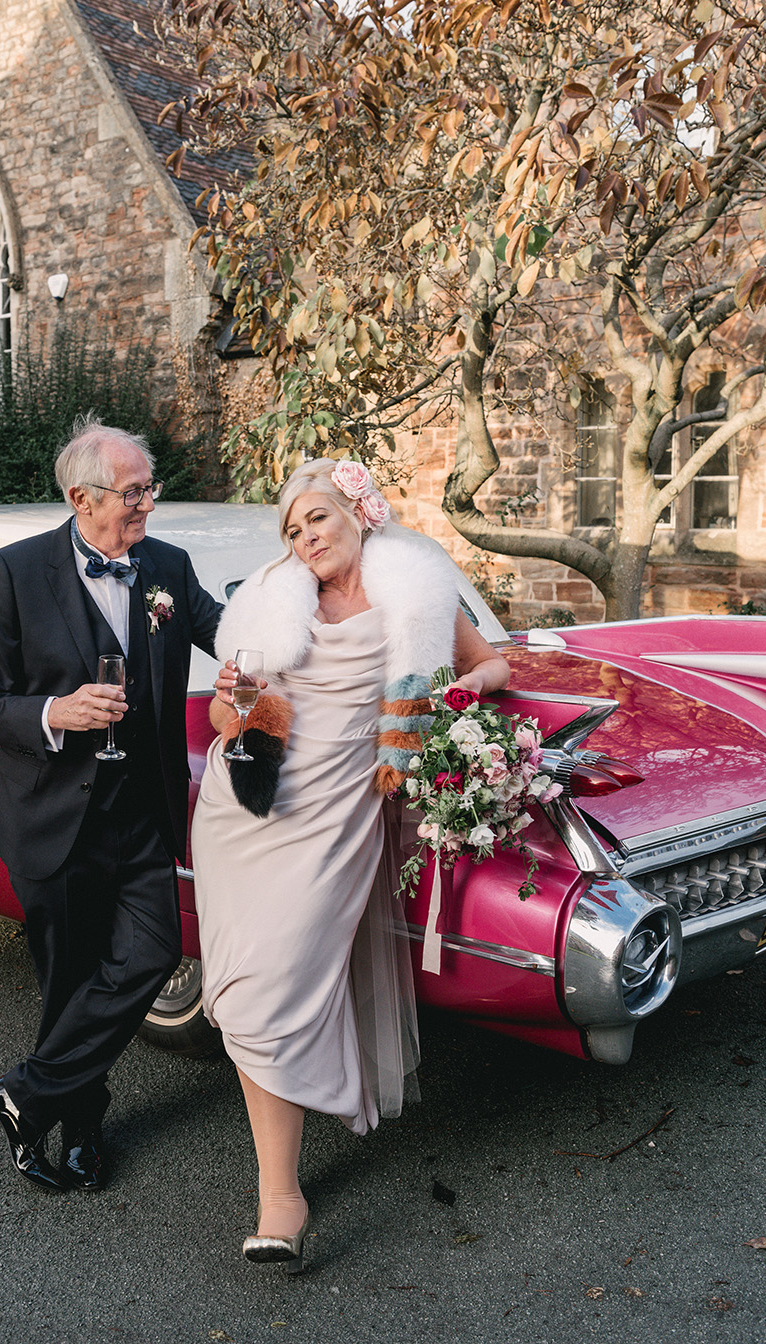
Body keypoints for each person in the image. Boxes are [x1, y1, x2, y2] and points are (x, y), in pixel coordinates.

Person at [191, 457, 510, 1269]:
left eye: (317, 521)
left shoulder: (416, 587)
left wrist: (445, 708)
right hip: (247, 816)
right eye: (293, 530)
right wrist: (233, 700)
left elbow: (489, 665)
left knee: (278, 987)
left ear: (357, 514)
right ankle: (279, 1197)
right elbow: (229, 715)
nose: (306, 540)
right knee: (246, 989)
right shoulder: (272, 597)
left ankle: (281, 1193)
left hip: (336, 819)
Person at [0, 416, 220, 1192]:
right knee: (70, 984)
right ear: (81, 496)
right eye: (134, 491)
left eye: (149, 488)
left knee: (148, 954)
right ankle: (80, 1131)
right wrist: (53, 713)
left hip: (141, 813)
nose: (147, 504)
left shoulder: (166, 565)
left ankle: (25, 1094)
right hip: (52, 817)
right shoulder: (13, 572)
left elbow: (226, 630)